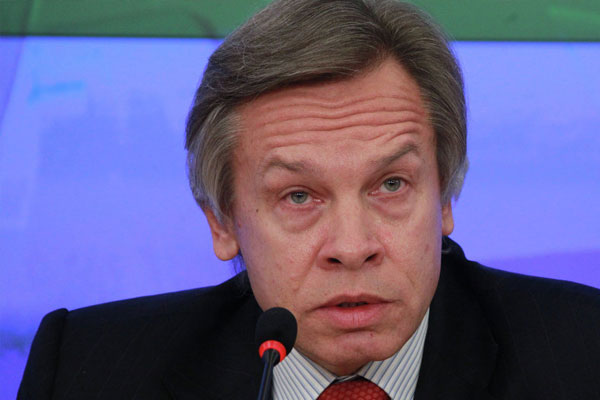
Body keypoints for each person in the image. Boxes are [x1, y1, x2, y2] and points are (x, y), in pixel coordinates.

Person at [18, 0, 600, 399]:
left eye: (391, 185)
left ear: (444, 198)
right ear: (223, 222)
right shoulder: (89, 372)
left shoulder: (582, 354)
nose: (353, 246)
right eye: (299, 195)